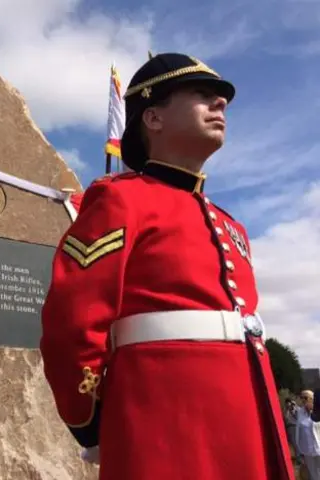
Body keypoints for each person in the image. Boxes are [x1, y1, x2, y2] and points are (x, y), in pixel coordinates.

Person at [39, 52, 295, 479]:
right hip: (166, 426)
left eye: (221, 98)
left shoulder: (234, 227)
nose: (221, 105)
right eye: (202, 95)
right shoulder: (120, 199)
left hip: (250, 420)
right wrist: (91, 419)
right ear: (153, 118)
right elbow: (73, 319)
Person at [296, 390, 320, 480]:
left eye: (305, 398)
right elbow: (298, 432)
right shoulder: (300, 412)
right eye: (301, 398)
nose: (303, 400)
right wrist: (300, 450)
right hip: (307, 451)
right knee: (314, 475)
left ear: (312, 398)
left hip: (319, 448)